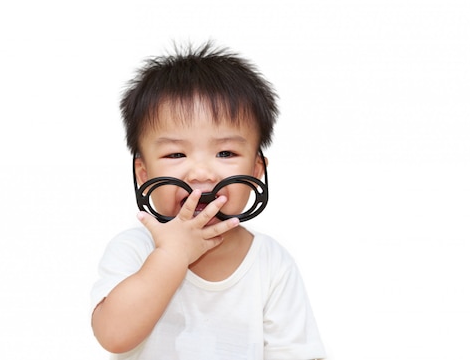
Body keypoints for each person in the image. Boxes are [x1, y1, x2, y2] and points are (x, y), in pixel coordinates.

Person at [91, 42, 327, 359]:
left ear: (257, 170)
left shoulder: (271, 264)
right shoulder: (134, 249)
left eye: (225, 153)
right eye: (176, 154)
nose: (201, 173)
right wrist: (172, 254)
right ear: (143, 174)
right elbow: (114, 335)